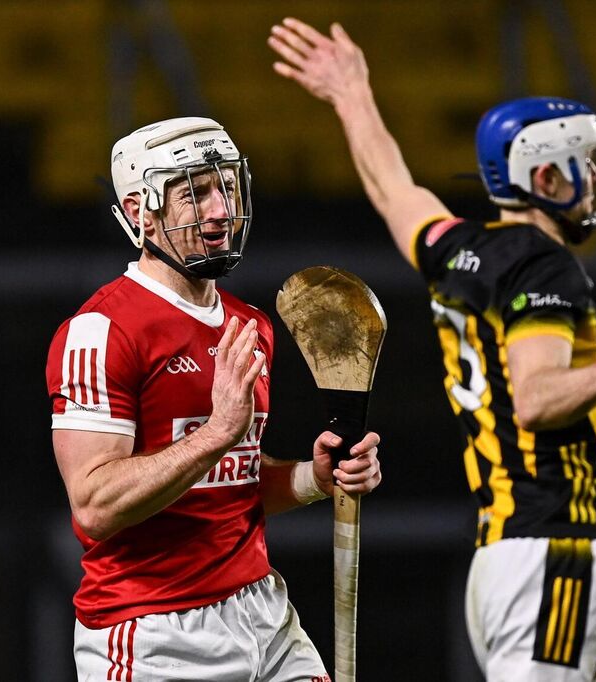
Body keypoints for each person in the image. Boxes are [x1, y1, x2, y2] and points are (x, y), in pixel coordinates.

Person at [269, 18, 596, 682]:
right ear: (545, 178)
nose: (593, 183)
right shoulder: (545, 268)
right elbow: (537, 398)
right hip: (552, 554)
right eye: (581, 168)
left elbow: (390, 189)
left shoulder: (460, 252)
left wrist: (352, 94)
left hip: (512, 559)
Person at [45, 116, 382, 681]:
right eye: (195, 193)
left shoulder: (249, 323)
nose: (221, 208)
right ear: (138, 212)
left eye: (226, 186)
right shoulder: (103, 330)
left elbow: (229, 485)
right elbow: (95, 506)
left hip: (264, 615)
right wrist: (218, 432)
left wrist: (314, 478)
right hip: (155, 633)